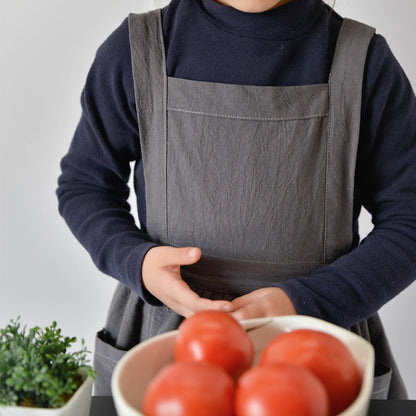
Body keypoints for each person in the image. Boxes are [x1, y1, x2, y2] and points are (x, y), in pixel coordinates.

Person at [56, 0, 416, 398]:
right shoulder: (137, 48)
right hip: (164, 345)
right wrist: (138, 263)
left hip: (317, 345)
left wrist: (308, 301)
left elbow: (410, 219)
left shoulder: (364, 61)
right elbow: (85, 186)